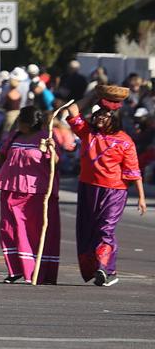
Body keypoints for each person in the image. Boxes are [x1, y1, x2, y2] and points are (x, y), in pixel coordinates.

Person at [68, 85, 147, 286]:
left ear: (114, 119)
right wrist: (93, 95)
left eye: (105, 116)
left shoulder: (125, 142)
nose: (100, 119)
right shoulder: (87, 133)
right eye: (98, 116)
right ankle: (97, 269)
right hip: (88, 188)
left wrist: (141, 197)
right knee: (87, 230)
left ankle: (106, 269)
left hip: (114, 192)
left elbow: (134, 171)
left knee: (105, 229)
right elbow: (73, 111)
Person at [0, 107, 61, 284]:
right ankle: (15, 269)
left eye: (22, 122)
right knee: (8, 229)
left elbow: (56, 163)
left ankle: (35, 271)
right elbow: (2, 159)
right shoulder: (15, 137)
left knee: (30, 232)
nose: (19, 124)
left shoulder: (46, 136)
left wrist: (53, 149)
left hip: (36, 193)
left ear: (30, 123)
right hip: (11, 188)